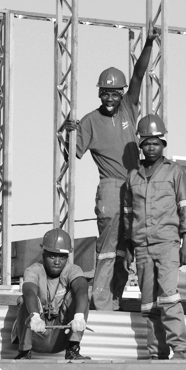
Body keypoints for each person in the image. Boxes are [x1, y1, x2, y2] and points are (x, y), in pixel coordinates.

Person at [65, 29, 158, 311]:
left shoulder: (128, 108)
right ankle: (102, 301)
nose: (109, 98)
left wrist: (149, 43)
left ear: (121, 94)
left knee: (127, 248)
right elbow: (70, 155)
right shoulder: (89, 121)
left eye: (114, 93)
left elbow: (138, 75)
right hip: (110, 187)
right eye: (105, 93)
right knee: (107, 248)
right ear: (99, 93)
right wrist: (66, 133)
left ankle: (116, 300)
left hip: (135, 185)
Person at [123, 114, 186, 361]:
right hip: (141, 247)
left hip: (167, 244)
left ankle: (181, 350)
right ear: (140, 145)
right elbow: (128, 215)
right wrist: (128, 248)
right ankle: (157, 354)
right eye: (147, 143)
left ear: (163, 144)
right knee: (148, 305)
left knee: (169, 297)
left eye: (156, 143)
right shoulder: (133, 176)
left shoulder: (175, 171)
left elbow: (184, 207)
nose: (151, 147)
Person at [11, 228, 90, 360]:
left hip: (61, 335)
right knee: (24, 300)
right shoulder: (33, 270)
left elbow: (82, 289)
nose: (57, 262)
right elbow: (29, 292)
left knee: (79, 296)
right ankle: (24, 353)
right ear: (43, 254)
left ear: (67, 257)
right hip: (37, 332)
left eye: (62, 257)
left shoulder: (73, 270)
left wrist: (79, 316)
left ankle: (73, 350)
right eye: (52, 256)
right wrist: (35, 316)